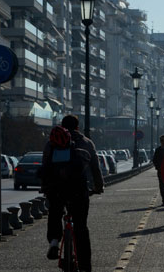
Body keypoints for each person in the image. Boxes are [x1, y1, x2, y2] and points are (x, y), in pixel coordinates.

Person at [41, 115, 104, 272]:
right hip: (78, 190)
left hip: (56, 189)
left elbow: (45, 167)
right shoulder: (87, 143)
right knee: (81, 227)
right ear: (78, 126)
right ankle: (85, 266)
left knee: (55, 212)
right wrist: (98, 186)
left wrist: (45, 187)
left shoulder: (51, 143)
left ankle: (54, 241)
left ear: (62, 125)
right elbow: (95, 168)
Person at [152, 135, 164, 206]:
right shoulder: (158, 150)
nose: (163, 142)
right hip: (161, 170)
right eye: (162, 140)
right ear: (160, 141)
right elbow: (154, 160)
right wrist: (157, 167)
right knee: (161, 185)